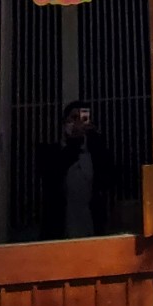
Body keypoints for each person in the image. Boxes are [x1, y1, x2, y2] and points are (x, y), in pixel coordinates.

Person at [59, 98, 97, 238]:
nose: (77, 123)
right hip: (62, 230)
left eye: (82, 119)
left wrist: (93, 138)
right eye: (74, 118)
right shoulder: (54, 153)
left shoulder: (94, 153)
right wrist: (74, 140)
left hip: (92, 228)